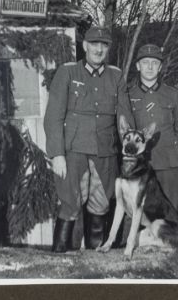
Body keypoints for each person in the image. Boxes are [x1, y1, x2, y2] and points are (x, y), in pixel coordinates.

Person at [44, 26, 134, 252]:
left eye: (104, 45)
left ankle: (95, 263)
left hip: (106, 153)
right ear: (85, 46)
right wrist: (57, 154)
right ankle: (59, 260)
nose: (99, 49)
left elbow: (125, 118)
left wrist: (130, 155)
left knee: (101, 205)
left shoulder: (116, 76)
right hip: (74, 152)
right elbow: (53, 116)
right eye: (94, 44)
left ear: (108, 50)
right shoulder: (68, 73)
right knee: (70, 203)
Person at [128, 44, 178, 235]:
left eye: (154, 63)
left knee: (169, 206)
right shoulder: (129, 96)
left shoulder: (172, 94)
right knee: (141, 204)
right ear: (138, 66)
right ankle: (144, 242)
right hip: (140, 162)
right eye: (145, 62)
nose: (149, 67)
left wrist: (169, 146)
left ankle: (170, 244)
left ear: (160, 67)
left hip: (168, 160)